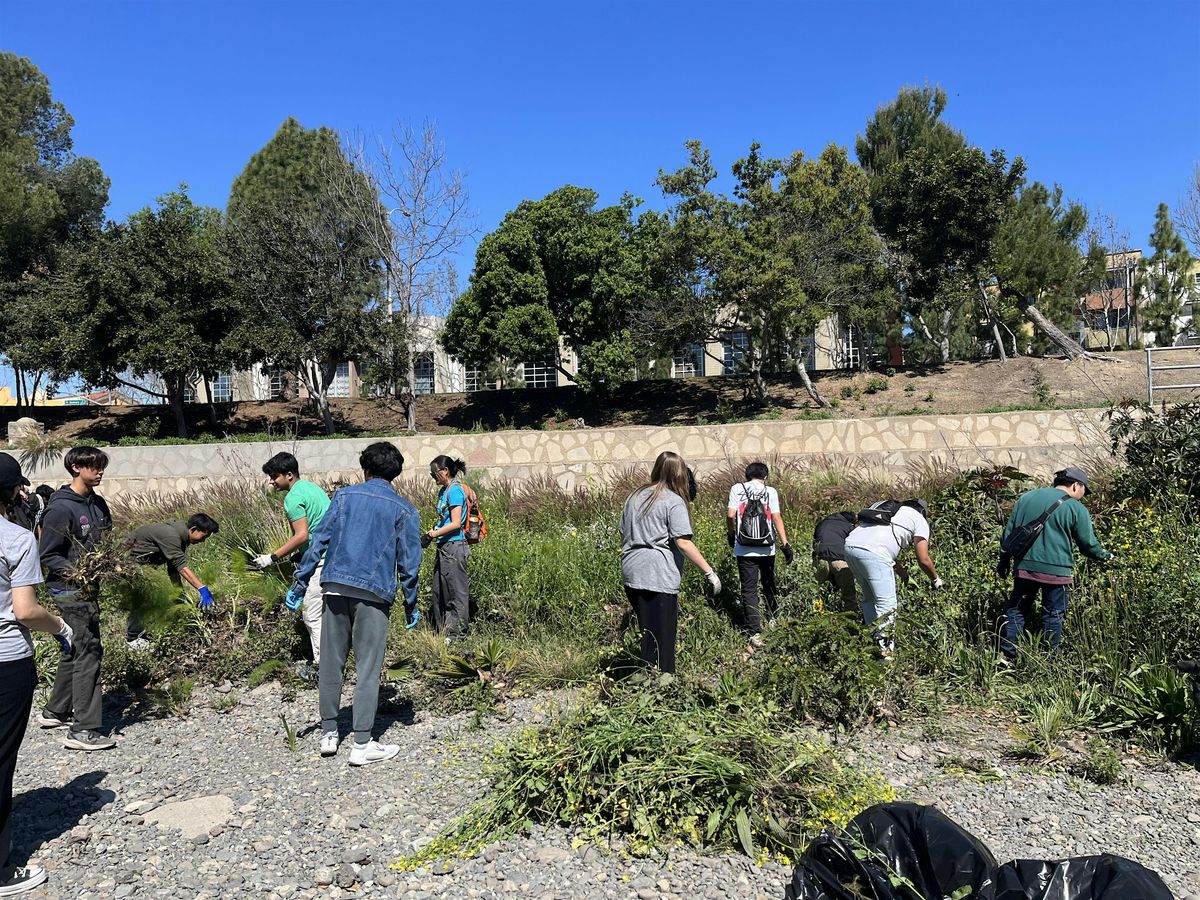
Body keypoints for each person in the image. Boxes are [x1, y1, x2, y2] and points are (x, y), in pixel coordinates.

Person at [289, 442, 421, 766]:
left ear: (365, 469)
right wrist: (411, 604)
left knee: (332, 662)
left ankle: (329, 734)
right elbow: (410, 563)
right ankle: (362, 744)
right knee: (367, 667)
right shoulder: (404, 509)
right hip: (374, 595)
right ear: (396, 473)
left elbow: (318, 540)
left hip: (334, 586)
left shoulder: (343, 497)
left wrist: (299, 583)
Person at [0, 453, 74, 895]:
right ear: (13, 492)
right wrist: (61, 627)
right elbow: (26, 611)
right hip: (6, 661)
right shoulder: (17, 538)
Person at [38, 446, 115, 751]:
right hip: (68, 588)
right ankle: (83, 730)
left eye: (101, 466)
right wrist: (78, 570)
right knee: (89, 650)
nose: (99, 471)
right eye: (93, 466)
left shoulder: (97, 503)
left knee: (75, 648)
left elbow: (106, 540)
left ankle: (55, 711)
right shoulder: (60, 508)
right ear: (75, 468)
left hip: (90, 587)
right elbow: (48, 554)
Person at [620, 451, 721, 674]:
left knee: (648, 632)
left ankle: (646, 678)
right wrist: (709, 572)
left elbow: (623, 532)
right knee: (663, 637)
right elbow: (683, 542)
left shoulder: (634, 496)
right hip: (658, 574)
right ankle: (664, 684)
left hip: (631, 570)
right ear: (680, 474)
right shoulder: (673, 501)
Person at [998, 466, 1111, 660]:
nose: (1084, 495)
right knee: (1053, 615)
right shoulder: (1076, 507)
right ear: (1076, 485)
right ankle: (1050, 660)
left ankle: (1007, 657)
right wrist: (1105, 556)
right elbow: (1088, 545)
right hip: (1057, 571)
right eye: (1085, 490)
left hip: (1024, 567)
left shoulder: (1026, 498)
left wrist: (1004, 560)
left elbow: (1009, 534)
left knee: (1016, 610)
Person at [253, 452, 330, 677]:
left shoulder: (292, 498)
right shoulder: (313, 488)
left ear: (289, 475)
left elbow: (302, 535)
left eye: (274, 476)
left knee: (313, 614)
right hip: (334, 555)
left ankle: (322, 667)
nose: (271, 482)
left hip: (320, 560)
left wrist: (272, 557)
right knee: (331, 612)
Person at [843, 498, 943, 656]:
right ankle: (885, 655)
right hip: (874, 553)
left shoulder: (891, 512)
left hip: (850, 546)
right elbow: (923, 559)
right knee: (887, 606)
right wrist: (936, 580)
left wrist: (904, 576)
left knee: (869, 600)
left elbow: (885, 551)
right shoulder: (919, 519)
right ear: (923, 512)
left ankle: (872, 647)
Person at [725, 461, 794, 642]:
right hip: (767, 547)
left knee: (749, 589)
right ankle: (773, 618)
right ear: (765, 477)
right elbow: (776, 517)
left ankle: (755, 630)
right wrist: (785, 544)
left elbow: (730, 515)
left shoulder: (737, 489)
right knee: (769, 583)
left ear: (747, 476)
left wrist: (731, 535)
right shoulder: (770, 491)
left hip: (744, 548)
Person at [128, 514, 220, 612]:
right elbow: (180, 565)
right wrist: (202, 589)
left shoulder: (181, 536)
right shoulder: (171, 535)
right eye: (203, 536)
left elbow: (173, 569)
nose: (203, 541)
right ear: (193, 529)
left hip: (140, 568)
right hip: (126, 565)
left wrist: (179, 594)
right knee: (144, 603)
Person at [424, 455, 471, 639]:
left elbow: (455, 523)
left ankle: (457, 634)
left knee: (455, 590)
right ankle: (442, 630)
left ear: (445, 472)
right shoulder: (443, 491)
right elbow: (444, 520)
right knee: (440, 589)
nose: (433, 476)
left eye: (434, 473)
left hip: (455, 546)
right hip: (444, 546)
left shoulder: (455, 491)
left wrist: (431, 535)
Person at [812, 511, 859, 609]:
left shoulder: (822, 523)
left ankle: (817, 619)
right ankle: (851, 619)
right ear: (851, 522)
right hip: (840, 560)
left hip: (819, 559)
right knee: (849, 596)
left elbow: (816, 540)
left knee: (818, 594)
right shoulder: (849, 526)